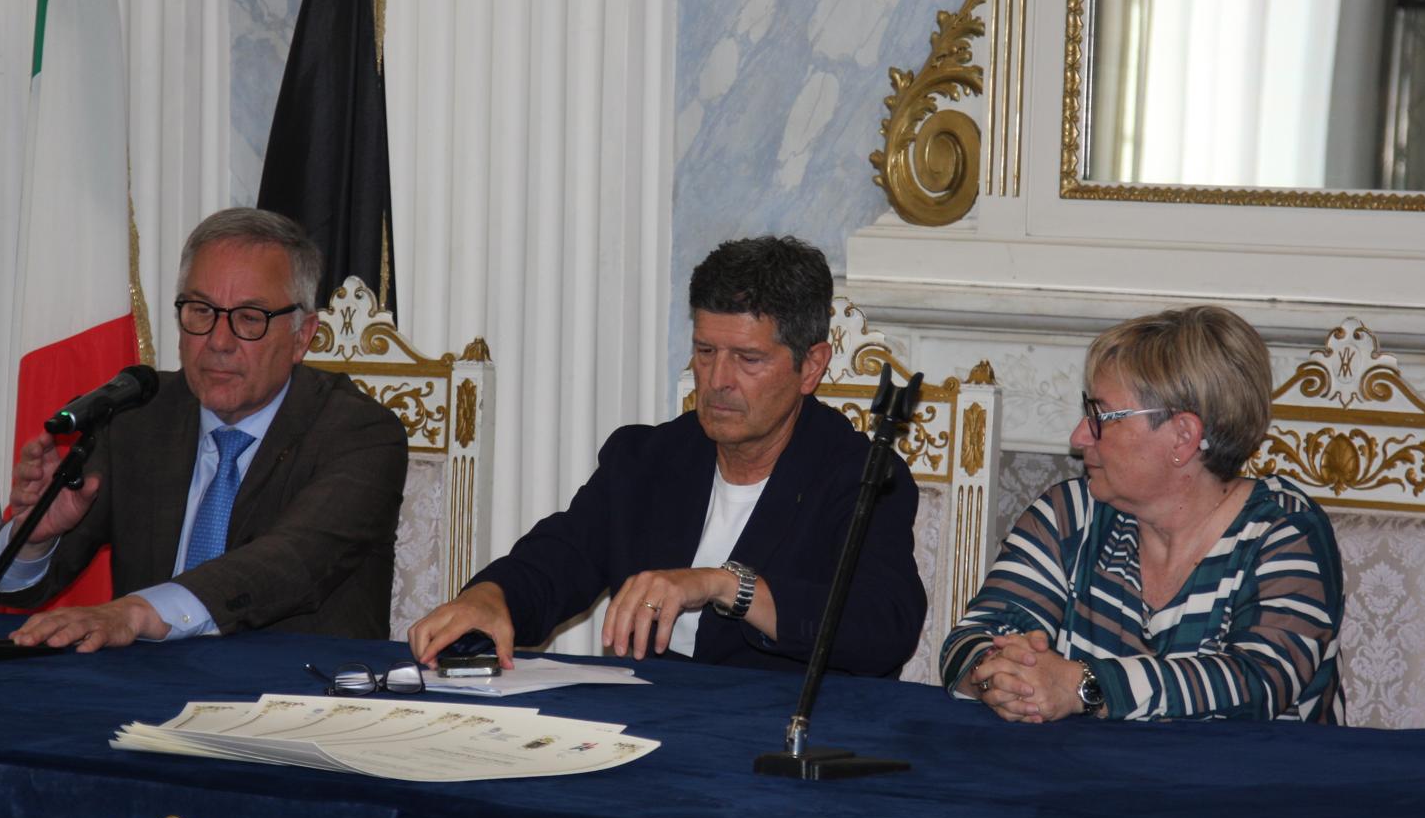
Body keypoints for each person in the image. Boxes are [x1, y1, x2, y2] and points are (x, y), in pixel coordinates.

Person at [409, 236, 924, 677]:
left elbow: (883, 627)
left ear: (810, 367)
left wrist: (726, 586)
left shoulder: (861, 477)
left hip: (777, 736)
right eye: (705, 352)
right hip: (648, 723)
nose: (718, 381)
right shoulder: (647, 459)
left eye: (748, 359)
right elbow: (562, 557)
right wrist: (492, 596)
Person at [0, 208, 407, 650]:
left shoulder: (360, 434)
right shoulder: (137, 415)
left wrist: (137, 611)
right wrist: (36, 537)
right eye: (201, 311)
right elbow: (12, 587)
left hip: (294, 685)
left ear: (302, 336)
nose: (219, 341)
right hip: (144, 684)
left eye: (250, 318)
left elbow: (291, 561)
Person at [941, 305, 1345, 723]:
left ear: (1183, 437)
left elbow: (1258, 683)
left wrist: (1084, 685)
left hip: (1252, 766)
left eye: (1101, 416)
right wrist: (1002, 677)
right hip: (1085, 765)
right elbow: (972, 639)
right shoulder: (1069, 514)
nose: (1079, 437)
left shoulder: (1284, 532)